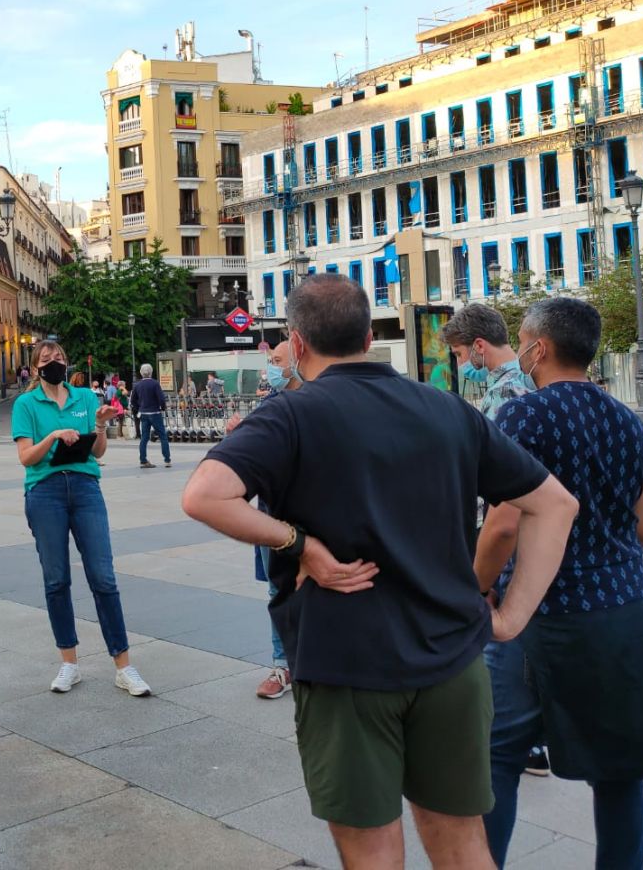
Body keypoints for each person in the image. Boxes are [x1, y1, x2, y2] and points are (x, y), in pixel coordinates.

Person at [181, 274, 577, 870]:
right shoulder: (447, 410)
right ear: (368, 336)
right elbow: (555, 503)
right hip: (451, 662)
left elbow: (204, 495)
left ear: (297, 341)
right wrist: (511, 616)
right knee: (464, 842)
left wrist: (300, 544)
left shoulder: (290, 414)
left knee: (371, 852)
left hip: (346, 665)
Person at [478, 298, 643, 869]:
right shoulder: (628, 422)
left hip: (537, 614)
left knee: (497, 756)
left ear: (538, 349)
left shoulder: (524, 416)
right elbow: (641, 531)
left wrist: (475, 588)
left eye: (521, 341)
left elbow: (504, 524)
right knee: (620, 770)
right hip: (626, 612)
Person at [441, 303, 548, 775]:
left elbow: (507, 488)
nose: (463, 363)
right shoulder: (525, 385)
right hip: (531, 530)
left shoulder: (508, 394)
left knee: (499, 629)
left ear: (479, 347)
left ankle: (516, 740)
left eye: (462, 354)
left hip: (509, 531)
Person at [11, 341, 151, 696]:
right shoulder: (26, 404)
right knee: (56, 579)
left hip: (87, 489)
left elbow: (98, 450)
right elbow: (26, 457)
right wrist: (54, 436)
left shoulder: (85, 399)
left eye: (58, 357)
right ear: (35, 367)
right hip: (45, 492)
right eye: (46, 359)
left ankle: (124, 666)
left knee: (103, 577)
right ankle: (69, 663)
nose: (54, 362)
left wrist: (101, 426)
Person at [248, 341, 301, 701]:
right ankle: (282, 665)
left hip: (311, 513)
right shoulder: (267, 406)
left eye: (277, 361)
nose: (271, 368)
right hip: (271, 513)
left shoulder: (318, 401)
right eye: (269, 361)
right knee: (276, 588)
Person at [443, 304, 535, 420]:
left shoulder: (500, 394)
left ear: (479, 346)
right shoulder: (531, 375)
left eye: (458, 354)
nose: (458, 363)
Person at [130, 363, 171, 468]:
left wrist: (139, 408)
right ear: (151, 372)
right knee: (162, 436)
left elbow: (133, 400)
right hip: (155, 413)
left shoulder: (137, 385)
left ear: (141, 373)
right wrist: (163, 407)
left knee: (144, 437)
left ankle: (143, 460)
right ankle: (167, 459)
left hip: (143, 413)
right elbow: (161, 398)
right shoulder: (155, 384)